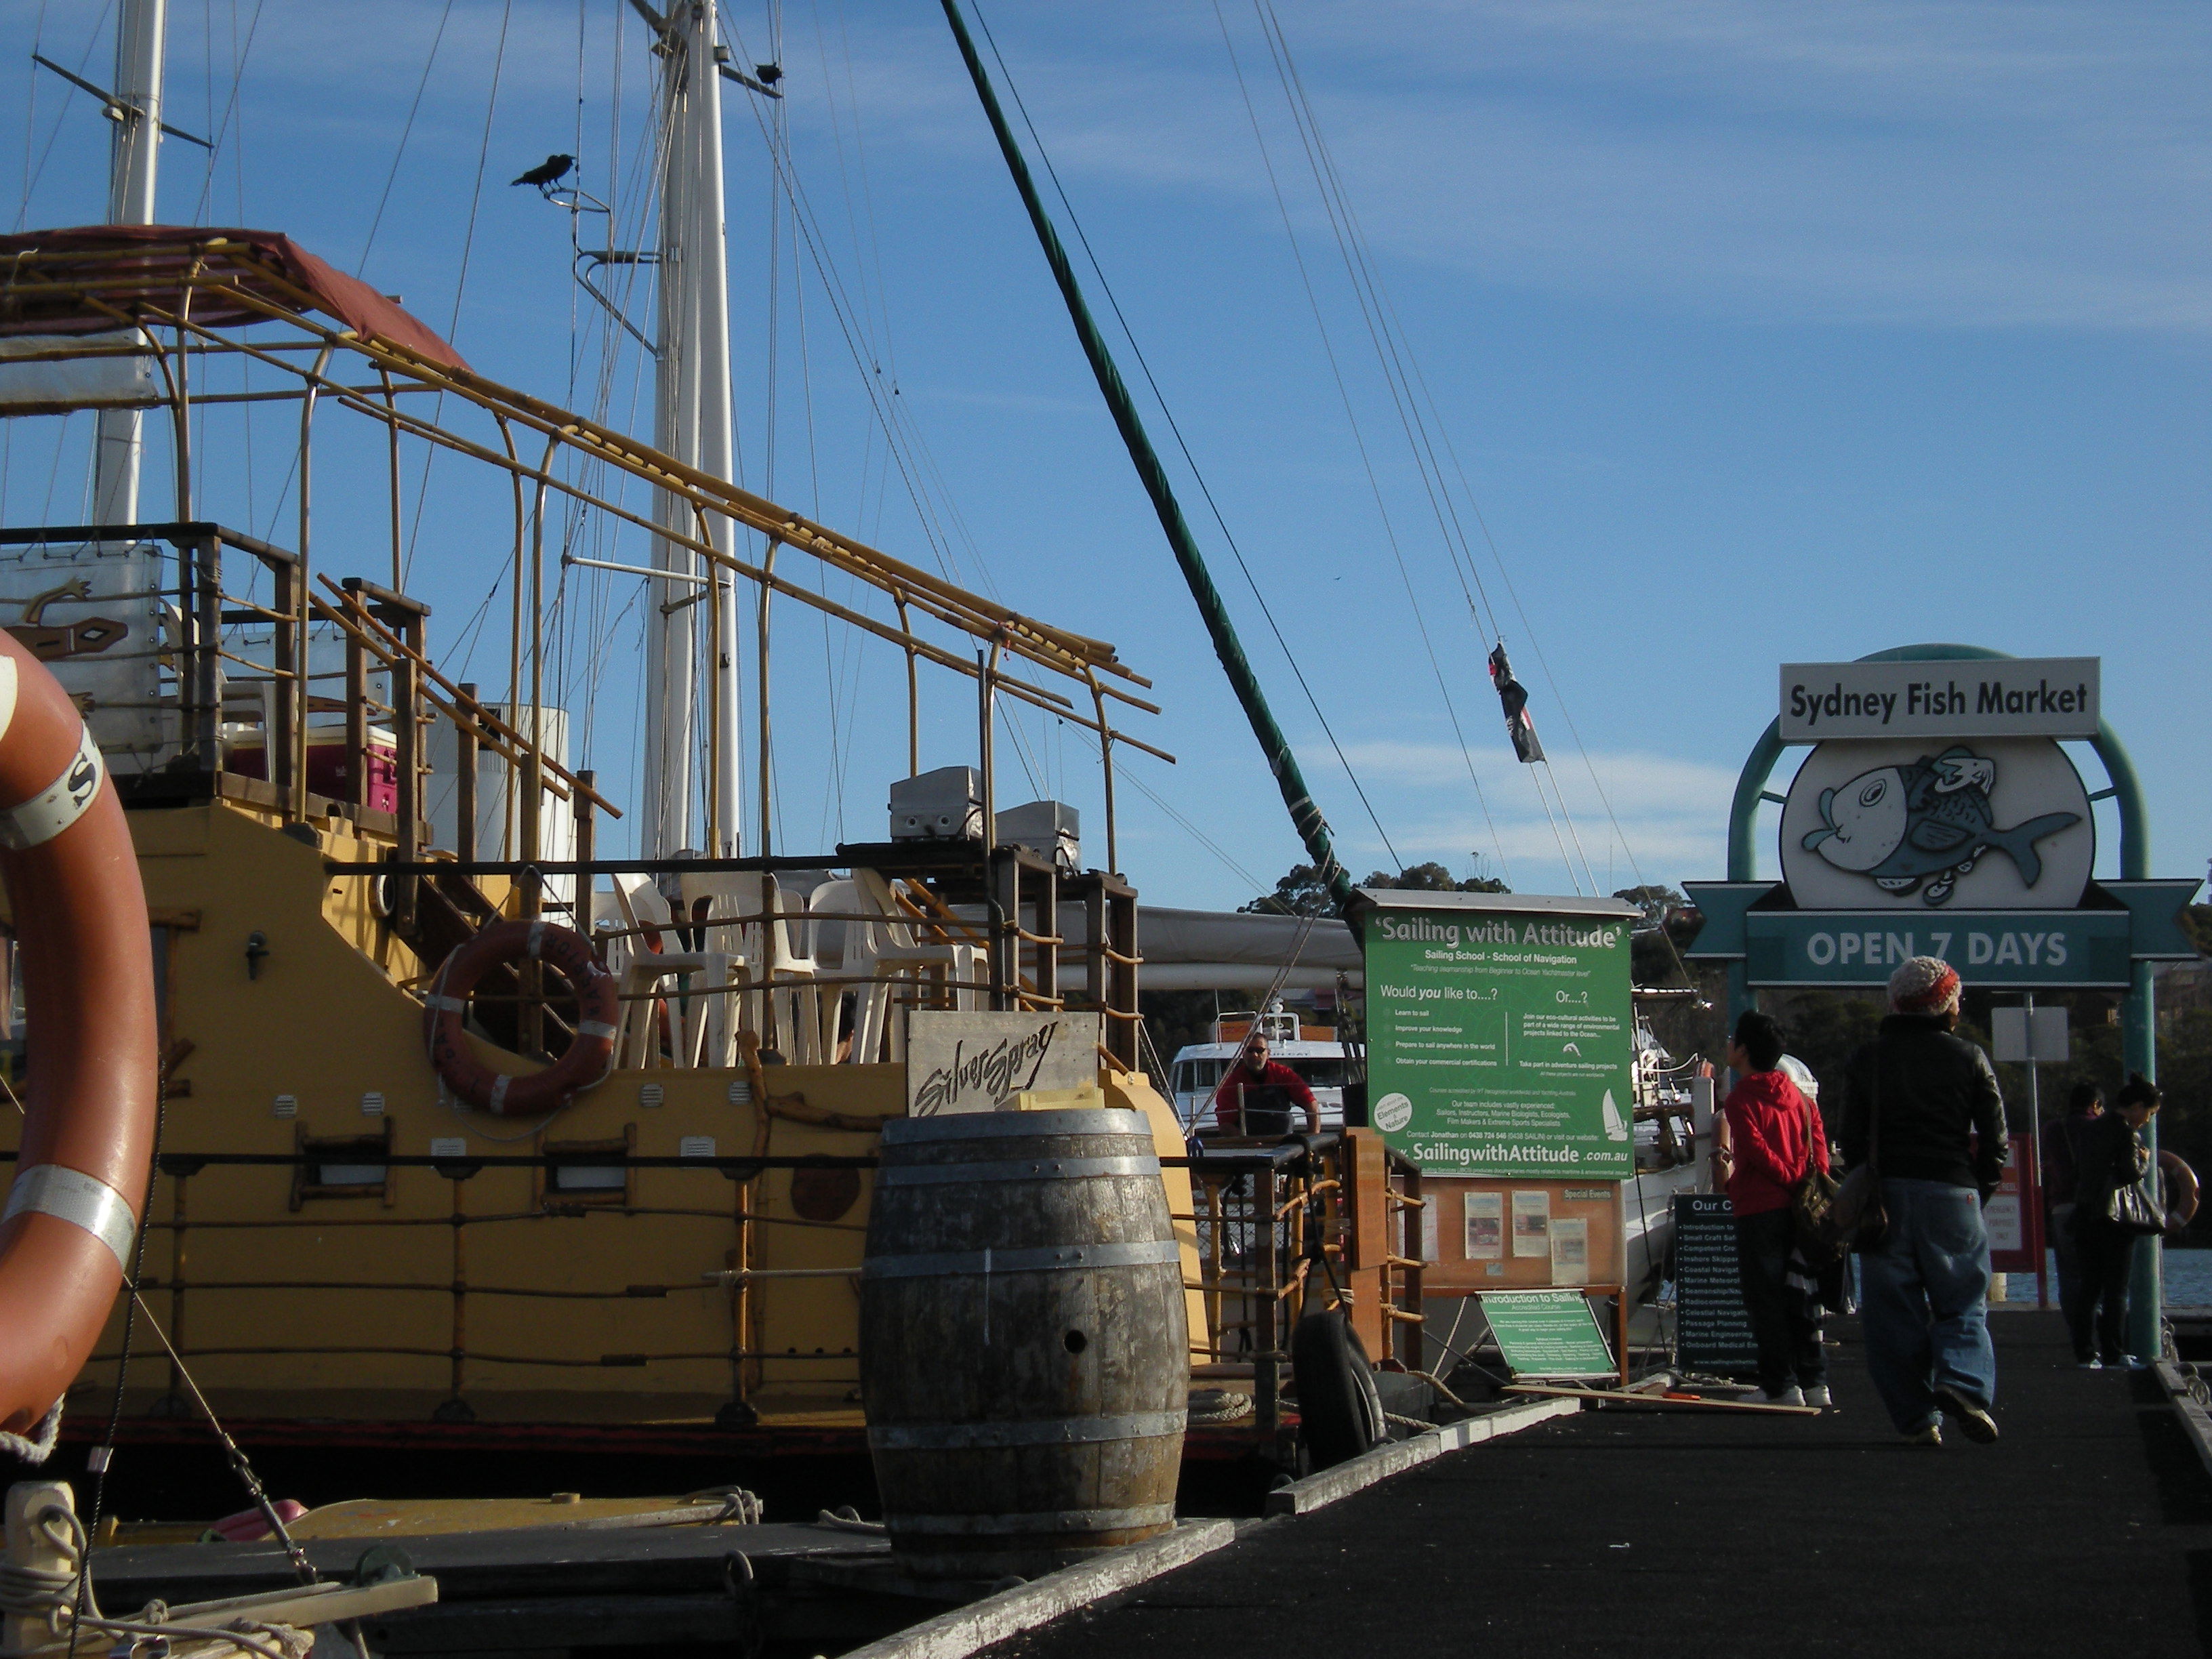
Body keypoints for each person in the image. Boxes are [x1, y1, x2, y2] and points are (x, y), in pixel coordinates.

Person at [1837, 956, 2007, 1448]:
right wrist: (1980, 1191)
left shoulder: (1866, 1059)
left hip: (1886, 1195)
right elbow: (1995, 1144)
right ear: (1948, 1006)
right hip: (1954, 1192)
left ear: (1895, 1003)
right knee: (1962, 1301)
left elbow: (1850, 1138)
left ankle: (1917, 1420)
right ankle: (1963, 1383)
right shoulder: (1969, 1058)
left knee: (1893, 1314)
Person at [1720, 1012, 1830, 1408]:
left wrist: (1785, 1177)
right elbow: (1820, 1153)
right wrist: (1801, 1183)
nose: (1729, 1043)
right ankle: (1815, 1380)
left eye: (1734, 1038)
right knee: (1801, 1294)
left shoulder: (1740, 1098)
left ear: (1745, 1050)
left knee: (1764, 1298)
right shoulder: (1801, 1099)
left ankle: (1781, 1385)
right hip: (1801, 1212)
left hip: (1758, 1209)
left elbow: (1754, 1151)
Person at [2068, 1073, 2160, 1370]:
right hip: (2114, 1218)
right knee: (2116, 1289)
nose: (2146, 1120)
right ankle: (2113, 1352)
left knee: (2089, 1287)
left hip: (2085, 1212)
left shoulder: (2092, 1129)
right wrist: (2145, 1159)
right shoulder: (2126, 1132)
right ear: (2136, 1106)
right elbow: (2131, 1172)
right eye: (2148, 1113)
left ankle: (2084, 1354)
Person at [2041, 1083, 2104, 1347]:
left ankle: (2076, 1332)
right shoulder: (2099, 1127)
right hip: (2094, 1208)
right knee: (2097, 1273)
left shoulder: (2054, 1129)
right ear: (2095, 1105)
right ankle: (2097, 1333)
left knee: (2068, 1274)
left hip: (2061, 1207)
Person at [1211, 1035, 1319, 1136]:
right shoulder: (1231, 1083)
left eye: (1259, 1050)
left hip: (1285, 1145)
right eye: (1250, 1050)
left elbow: (1311, 1104)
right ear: (1243, 1053)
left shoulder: (1284, 1074)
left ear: (1268, 1053)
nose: (1254, 1055)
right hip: (1250, 1146)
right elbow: (1225, 1125)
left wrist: (1312, 1138)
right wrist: (1250, 1144)